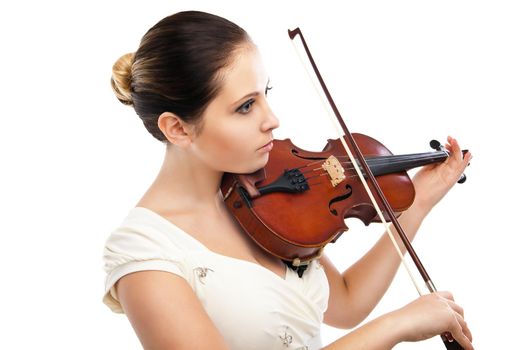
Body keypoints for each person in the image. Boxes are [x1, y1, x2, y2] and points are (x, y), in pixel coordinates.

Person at [103, 10, 474, 350]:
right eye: (246, 106)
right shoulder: (144, 252)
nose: (273, 120)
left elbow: (344, 302)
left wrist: (418, 201)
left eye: (265, 94)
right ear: (177, 128)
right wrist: (396, 324)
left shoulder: (263, 196)